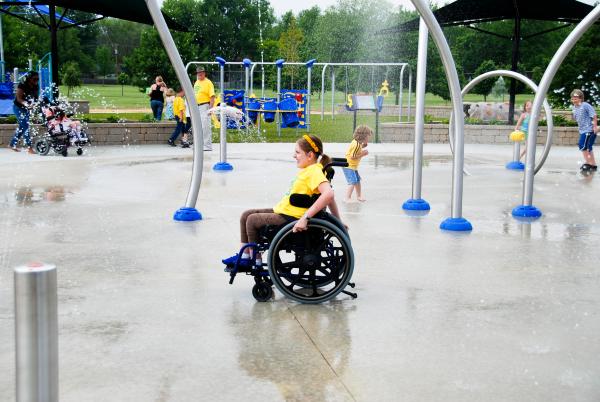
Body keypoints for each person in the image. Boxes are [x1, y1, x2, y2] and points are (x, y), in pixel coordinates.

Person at [222, 134, 343, 267]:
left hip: (293, 217)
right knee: (246, 215)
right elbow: (327, 198)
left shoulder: (314, 172)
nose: (294, 156)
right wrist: (339, 222)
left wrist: (305, 218)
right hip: (287, 212)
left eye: (297, 152)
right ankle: (244, 255)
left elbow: (328, 194)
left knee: (252, 220)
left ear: (310, 155)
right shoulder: (310, 170)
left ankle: (254, 260)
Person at [10, 71, 39, 153]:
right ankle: (30, 147)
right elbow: (19, 98)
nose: (36, 80)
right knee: (25, 126)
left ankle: (12, 144)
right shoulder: (22, 85)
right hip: (18, 107)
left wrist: (34, 105)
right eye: (34, 79)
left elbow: (36, 98)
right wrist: (27, 104)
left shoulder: (35, 86)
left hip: (26, 109)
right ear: (29, 78)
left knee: (22, 127)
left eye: (37, 79)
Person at [343, 125, 372, 202]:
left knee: (357, 181)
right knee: (352, 182)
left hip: (352, 166)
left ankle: (359, 196)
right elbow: (353, 156)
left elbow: (356, 151)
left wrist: (362, 146)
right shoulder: (356, 145)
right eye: (368, 137)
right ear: (364, 136)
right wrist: (363, 153)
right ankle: (347, 198)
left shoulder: (357, 143)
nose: (369, 138)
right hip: (349, 166)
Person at [570, 89, 598, 171]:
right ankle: (593, 164)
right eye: (572, 98)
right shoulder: (574, 107)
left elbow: (594, 115)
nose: (574, 100)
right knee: (588, 147)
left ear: (581, 98)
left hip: (588, 130)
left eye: (575, 98)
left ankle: (588, 163)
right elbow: (575, 118)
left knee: (582, 145)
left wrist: (595, 127)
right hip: (583, 130)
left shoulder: (585, 105)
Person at [193, 66, 215, 151]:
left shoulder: (208, 83)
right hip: (197, 107)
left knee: (205, 126)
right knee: (198, 126)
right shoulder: (196, 82)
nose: (199, 74)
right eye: (198, 73)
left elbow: (212, 96)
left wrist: (210, 109)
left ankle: (207, 145)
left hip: (205, 106)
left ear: (204, 73)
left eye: (201, 72)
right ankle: (199, 144)